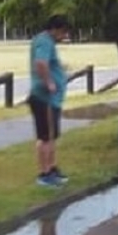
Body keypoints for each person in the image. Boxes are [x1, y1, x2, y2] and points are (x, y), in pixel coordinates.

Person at [29, 14, 71, 188]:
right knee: (45, 137)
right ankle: (44, 174)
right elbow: (40, 63)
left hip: (52, 100)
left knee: (52, 136)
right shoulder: (44, 41)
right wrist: (49, 82)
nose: (64, 36)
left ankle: (52, 169)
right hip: (44, 98)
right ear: (55, 29)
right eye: (63, 32)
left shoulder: (49, 43)